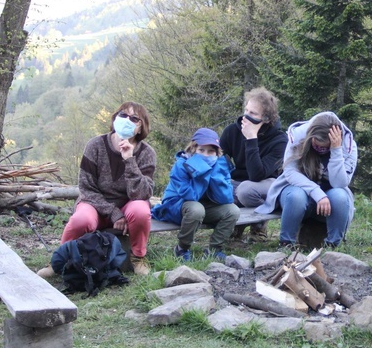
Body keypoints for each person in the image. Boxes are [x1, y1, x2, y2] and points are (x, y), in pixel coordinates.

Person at [38, 102, 156, 277]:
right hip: (95, 204)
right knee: (80, 220)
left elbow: (142, 194)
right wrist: (113, 212)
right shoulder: (95, 145)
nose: (126, 120)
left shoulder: (147, 153)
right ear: (115, 118)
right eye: (123, 115)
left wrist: (130, 161)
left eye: (134, 118)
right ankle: (59, 260)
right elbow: (86, 188)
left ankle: (138, 258)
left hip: (128, 207)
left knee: (140, 210)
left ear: (140, 128)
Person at [256, 112, 358, 248]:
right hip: (297, 195)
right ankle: (286, 244)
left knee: (340, 196)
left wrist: (336, 151)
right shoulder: (298, 136)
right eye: (317, 144)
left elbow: (339, 183)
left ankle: (333, 246)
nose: (321, 149)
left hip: (330, 201)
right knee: (296, 196)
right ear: (310, 136)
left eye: (325, 147)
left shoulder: (348, 146)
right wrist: (317, 193)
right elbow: (290, 172)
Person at [151, 128, 240, 261]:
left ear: (217, 153)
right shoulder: (181, 165)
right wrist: (202, 171)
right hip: (176, 206)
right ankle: (182, 249)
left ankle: (214, 250)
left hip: (204, 208)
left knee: (233, 211)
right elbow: (190, 196)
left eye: (211, 151)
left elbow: (226, 198)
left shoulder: (220, 166)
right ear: (193, 149)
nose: (206, 155)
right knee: (196, 209)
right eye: (201, 150)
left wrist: (215, 175)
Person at [220, 87, 288, 241]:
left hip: (266, 182)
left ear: (266, 119)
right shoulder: (232, 131)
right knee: (220, 189)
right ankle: (235, 225)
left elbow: (257, 174)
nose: (246, 117)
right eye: (246, 111)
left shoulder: (279, 140)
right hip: (238, 181)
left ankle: (259, 224)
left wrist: (251, 139)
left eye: (253, 114)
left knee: (245, 191)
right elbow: (218, 158)